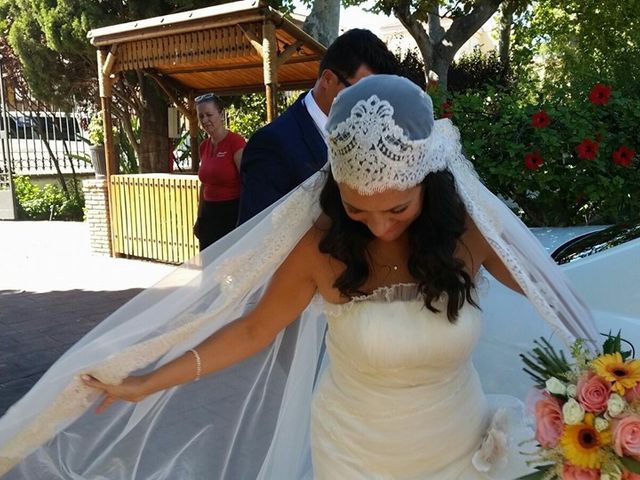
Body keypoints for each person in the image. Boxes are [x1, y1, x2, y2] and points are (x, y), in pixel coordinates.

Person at [0, 76, 598, 479]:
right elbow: (253, 330)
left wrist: (607, 389)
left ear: (432, 184)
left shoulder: (470, 234)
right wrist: (149, 379)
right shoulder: (320, 247)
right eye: (359, 210)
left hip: (461, 441)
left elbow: (555, 297)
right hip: (355, 452)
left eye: (397, 209)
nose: (380, 227)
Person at [237, 28, 401, 224]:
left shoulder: (372, 135)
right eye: (361, 94)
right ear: (328, 79)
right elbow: (257, 241)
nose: (369, 108)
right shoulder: (272, 144)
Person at [193, 93, 246, 250]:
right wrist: (200, 217)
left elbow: (247, 182)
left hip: (231, 213)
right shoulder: (203, 146)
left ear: (221, 115)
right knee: (208, 268)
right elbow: (204, 185)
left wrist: (243, 220)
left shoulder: (235, 142)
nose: (205, 120)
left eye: (209, 115)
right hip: (209, 214)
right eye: (201, 116)